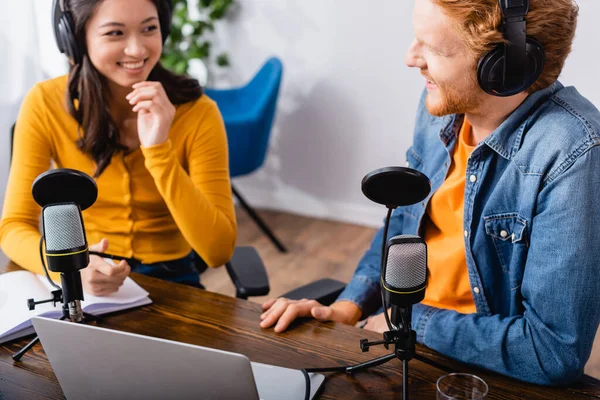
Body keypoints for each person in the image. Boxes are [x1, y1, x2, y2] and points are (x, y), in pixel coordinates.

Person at [260, 0, 600, 385]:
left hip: (476, 370)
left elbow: (551, 352)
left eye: (434, 49)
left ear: (506, 68)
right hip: (401, 336)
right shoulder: (441, 103)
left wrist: (413, 320)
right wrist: (348, 306)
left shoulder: (574, 154)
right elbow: (404, 222)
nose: (410, 58)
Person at [0, 0, 236, 295]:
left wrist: (159, 150)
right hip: (84, 264)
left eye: (149, 28)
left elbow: (218, 251)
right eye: (115, 33)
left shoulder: (198, 112)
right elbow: (14, 225)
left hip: (170, 275)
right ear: (75, 38)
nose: (137, 50)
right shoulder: (45, 103)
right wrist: (71, 266)